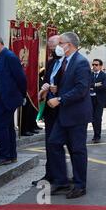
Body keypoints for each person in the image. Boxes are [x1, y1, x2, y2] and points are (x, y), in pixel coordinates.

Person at [47, 32, 92, 199]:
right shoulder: (65, 61)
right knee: (53, 143)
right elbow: (67, 84)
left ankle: (80, 185)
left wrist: (60, 99)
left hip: (76, 114)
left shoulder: (80, 63)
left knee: (77, 150)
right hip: (64, 114)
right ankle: (61, 181)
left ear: (69, 44)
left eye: (61, 42)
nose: (58, 45)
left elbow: (81, 89)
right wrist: (55, 89)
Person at [0, 35, 26, 166]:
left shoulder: (9, 57)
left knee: (2, 127)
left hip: (7, 98)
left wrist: (22, 95)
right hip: (0, 98)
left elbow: (21, 78)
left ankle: (4, 156)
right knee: (7, 127)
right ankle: (11, 155)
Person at [32, 34, 64, 186]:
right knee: (50, 144)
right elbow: (45, 81)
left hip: (63, 109)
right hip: (50, 110)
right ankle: (50, 174)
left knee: (60, 144)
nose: (51, 50)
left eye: (54, 47)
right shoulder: (51, 63)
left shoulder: (69, 63)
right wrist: (44, 88)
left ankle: (62, 178)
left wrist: (58, 90)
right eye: (50, 48)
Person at [90, 59, 106, 143]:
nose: (94, 66)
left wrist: (92, 86)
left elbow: (105, 86)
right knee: (91, 118)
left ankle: (97, 136)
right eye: (93, 64)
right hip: (89, 99)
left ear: (100, 66)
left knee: (97, 118)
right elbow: (86, 84)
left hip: (99, 100)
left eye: (96, 65)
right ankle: (95, 134)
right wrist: (96, 85)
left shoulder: (104, 75)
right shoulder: (89, 74)